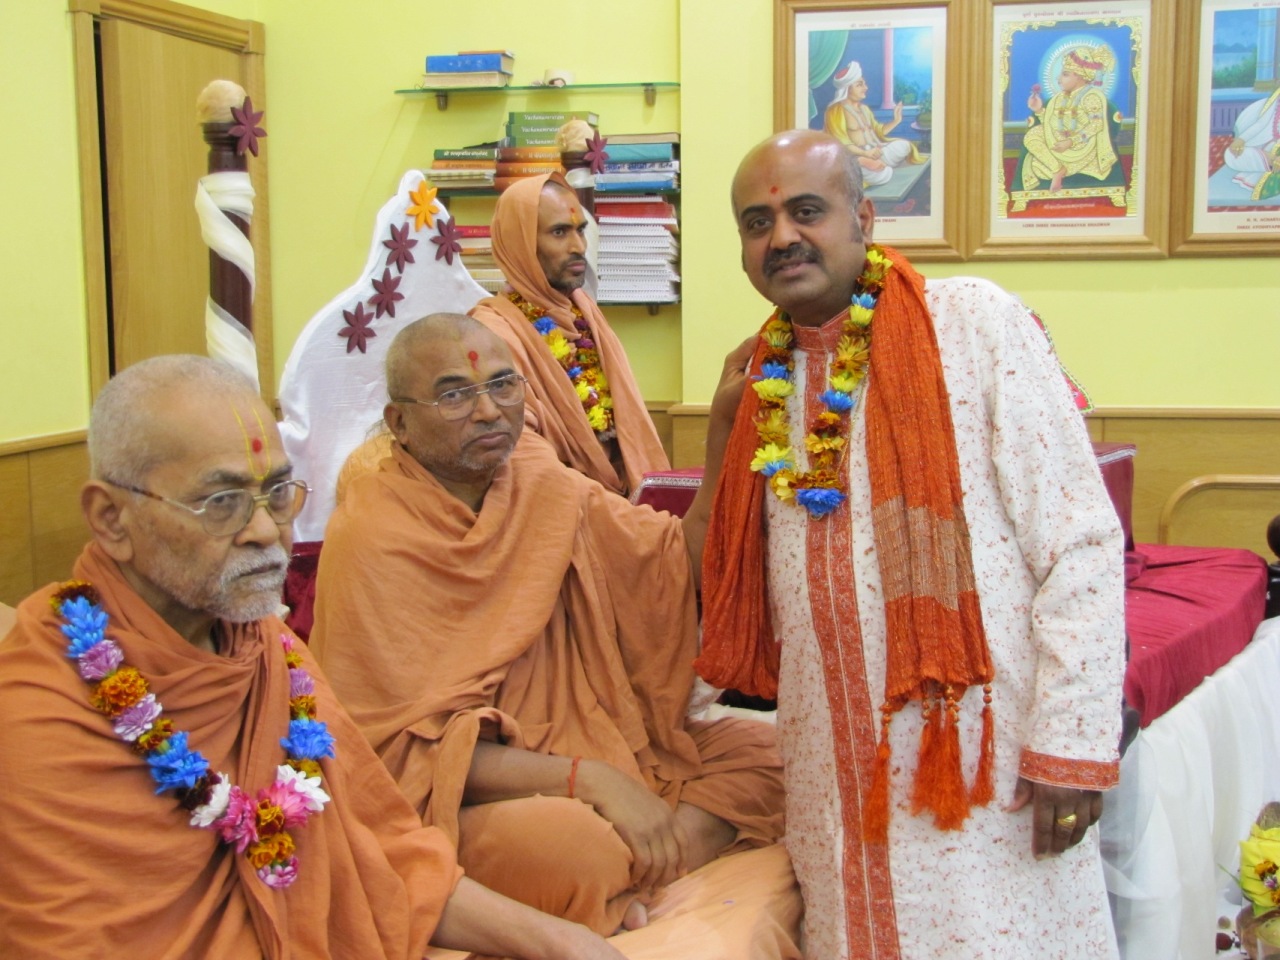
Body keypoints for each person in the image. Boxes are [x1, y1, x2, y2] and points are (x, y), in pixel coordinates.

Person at [0, 355, 627, 960]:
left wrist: (566, 944)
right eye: (222, 502)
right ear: (110, 519)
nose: (266, 531)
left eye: (276, 492)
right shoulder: (37, 717)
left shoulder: (268, 650)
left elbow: (384, 851)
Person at [695, 129, 1126, 958]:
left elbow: (1079, 539)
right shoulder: (758, 379)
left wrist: (1071, 742)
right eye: (757, 222)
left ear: (864, 216)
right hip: (832, 763)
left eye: (806, 211)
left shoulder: (971, 323)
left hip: (977, 762)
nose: (782, 236)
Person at [309, 313, 784, 939]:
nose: (488, 411)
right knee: (575, 847)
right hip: (471, 794)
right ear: (399, 421)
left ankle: (640, 866)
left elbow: (675, 564)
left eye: (504, 385)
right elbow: (400, 752)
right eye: (456, 394)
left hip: (603, 742)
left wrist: (724, 428)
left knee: (778, 755)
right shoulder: (373, 534)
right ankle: (632, 862)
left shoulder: (543, 482)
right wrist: (591, 781)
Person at [468, 172, 671, 496]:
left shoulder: (585, 313)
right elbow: (521, 459)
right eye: (559, 232)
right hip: (557, 506)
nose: (578, 247)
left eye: (580, 230)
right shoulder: (493, 334)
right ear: (519, 243)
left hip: (626, 499)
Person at [1021, 45, 1121, 193]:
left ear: (1080, 76)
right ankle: (1058, 169)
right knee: (1032, 139)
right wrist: (1039, 110)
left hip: (1081, 148)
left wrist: (1070, 141)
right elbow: (1052, 126)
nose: (1058, 79)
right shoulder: (1060, 98)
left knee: (1038, 166)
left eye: (1065, 74)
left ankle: (1056, 169)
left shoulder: (1091, 97)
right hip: (1059, 143)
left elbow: (1096, 124)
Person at [822, 61, 924, 188]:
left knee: (905, 146)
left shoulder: (864, 109)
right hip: (854, 158)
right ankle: (865, 166)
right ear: (847, 89)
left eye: (864, 84)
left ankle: (876, 165)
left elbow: (878, 131)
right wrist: (864, 156)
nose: (866, 88)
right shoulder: (835, 111)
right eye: (860, 85)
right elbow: (840, 143)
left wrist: (896, 120)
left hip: (877, 151)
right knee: (884, 174)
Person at [1223, 87, 1280, 197]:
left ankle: (1270, 163)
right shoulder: (1277, 97)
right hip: (1271, 147)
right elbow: (1261, 124)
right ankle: (1270, 162)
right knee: (1230, 154)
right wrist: (1241, 140)